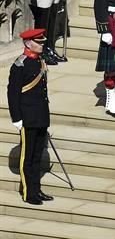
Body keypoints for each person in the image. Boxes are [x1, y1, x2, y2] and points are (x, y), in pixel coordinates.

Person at [7, 28, 53, 206]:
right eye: (38, 42)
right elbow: (13, 93)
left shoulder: (39, 61)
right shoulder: (20, 64)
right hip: (27, 117)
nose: (42, 45)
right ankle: (28, 192)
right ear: (28, 43)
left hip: (41, 116)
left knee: (36, 156)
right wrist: (16, 118)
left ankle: (37, 189)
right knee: (27, 158)